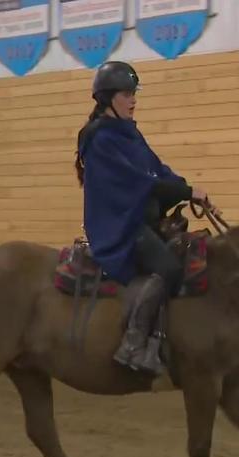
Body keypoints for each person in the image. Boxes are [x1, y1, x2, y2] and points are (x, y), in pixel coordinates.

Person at [73, 60, 210, 375]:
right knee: (168, 268)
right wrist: (187, 192)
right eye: (127, 94)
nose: (134, 100)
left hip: (137, 220)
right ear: (108, 98)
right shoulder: (100, 140)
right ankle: (133, 344)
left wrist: (190, 189)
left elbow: (157, 170)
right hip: (118, 225)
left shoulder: (128, 133)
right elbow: (137, 181)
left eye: (134, 94)